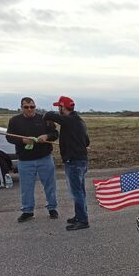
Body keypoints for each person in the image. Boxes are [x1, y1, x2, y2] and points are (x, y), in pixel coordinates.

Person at [6, 97, 59, 222]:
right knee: (26, 187)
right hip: (25, 160)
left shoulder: (45, 119)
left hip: (45, 158)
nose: (30, 109)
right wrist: (22, 140)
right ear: (21, 107)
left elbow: (55, 134)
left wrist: (47, 136)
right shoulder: (14, 121)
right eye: (26, 107)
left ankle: (52, 208)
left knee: (50, 185)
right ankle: (28, 211)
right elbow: (9, 137)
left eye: (32, 107)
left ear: (35, 107)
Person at [43, 96, 90, 231]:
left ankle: (82, 220)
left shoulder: (68, 120)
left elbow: (50, 115)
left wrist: (46, 117)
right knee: (80, 191)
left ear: (63, 107)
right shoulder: (79, 121)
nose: (58, 109)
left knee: (77, 193)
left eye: (59, 106)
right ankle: (80, 215)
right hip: (81, 160)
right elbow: (87, 142)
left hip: (74, 161)